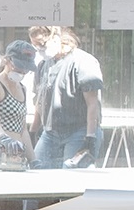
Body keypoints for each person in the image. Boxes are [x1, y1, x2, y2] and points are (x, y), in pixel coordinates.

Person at [32, 25, 103, 169]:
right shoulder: (43, 65)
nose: (39, 49)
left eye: (42, 44)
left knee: (72, 175)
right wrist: (33, 131)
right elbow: (40, 101)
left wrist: (90, 137)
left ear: (56, 38)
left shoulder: (83, 61)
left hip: (80, 130)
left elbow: (92, 103)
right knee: (36, 169)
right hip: (51, 131)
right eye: (35, 46)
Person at [0, 39, 38, 165]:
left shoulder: (23, 88)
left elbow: (23, 131)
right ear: (6, 60)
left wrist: (33, 160)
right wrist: (3, 138)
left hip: (17, 154)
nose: (22, 72)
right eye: (19, 67)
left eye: (26, 69)